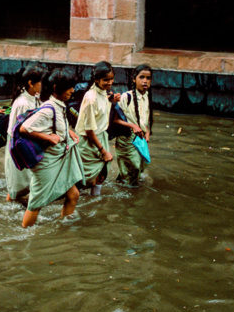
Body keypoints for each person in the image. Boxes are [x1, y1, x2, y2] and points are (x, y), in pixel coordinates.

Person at [19, 67, 84, 227]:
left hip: (59, 160)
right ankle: (24, 236)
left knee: (73, 194)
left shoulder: (58, 106)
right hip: (46, 164)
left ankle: (63, 228)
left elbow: (55, 126)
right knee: (36, 204)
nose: (72, 90)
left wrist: (68, 132)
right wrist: (48, 137)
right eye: (69, 87)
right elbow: (25, 128)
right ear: (56, 88)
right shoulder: (48, 109)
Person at [74, 61, 119, 195]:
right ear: (96, 80)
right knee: (83, 179)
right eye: (106, 80)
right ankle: (71, 204)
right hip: (89, 142)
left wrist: (111, 100)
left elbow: (101, 110)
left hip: (100, 137)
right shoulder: (91, 98)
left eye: (111, 79)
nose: (110, 83)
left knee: (101, 174)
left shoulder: (103, 92)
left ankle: (95, 200)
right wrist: (103, 151)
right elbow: (89, 130)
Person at [5, 64, 45, 202]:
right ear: (31, 83)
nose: (43, 86)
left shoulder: (34, 97)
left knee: (25, 183)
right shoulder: (23, 103)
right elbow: (22, 130)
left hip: (26, 144)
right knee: (17, 185)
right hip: (19, 145)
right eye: (41, 82)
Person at [113, 64, 153, 187]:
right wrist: (132, 126)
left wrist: (147, 132)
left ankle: (122, 183)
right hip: (126, 138)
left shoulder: (146, 96)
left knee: (141, 165)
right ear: (134, 79)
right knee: (134, 166)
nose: (145, 81)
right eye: (142, 77)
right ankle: (130, 195)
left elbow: (145, 119)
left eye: (148, 78)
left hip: (139, 138)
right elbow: (115, 119)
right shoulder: (126, 97)